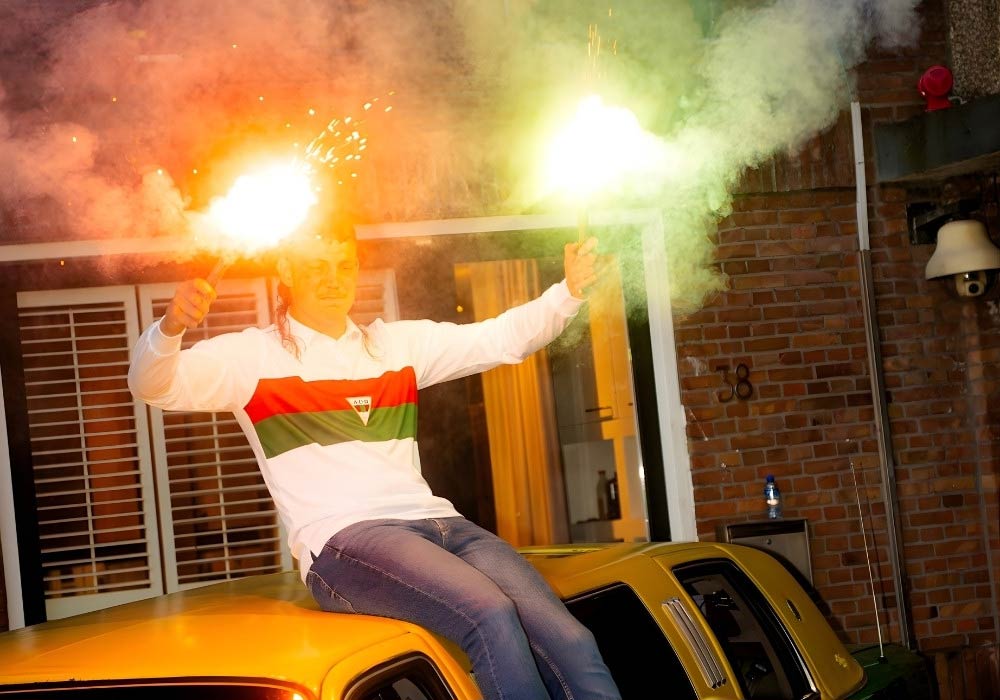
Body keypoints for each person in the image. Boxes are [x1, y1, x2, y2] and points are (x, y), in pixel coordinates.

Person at [128, 219, 622, 700]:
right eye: (316, 266)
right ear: (287, 271)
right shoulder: (251, 358)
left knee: (571, 640)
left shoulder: (394, 346)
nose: (333, 278)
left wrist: (569, 292)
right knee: (489, 614)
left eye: (344, 265)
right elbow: (154, 385)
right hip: (345, 540)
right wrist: (170, 328)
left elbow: (500, 338)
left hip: (441, 524)